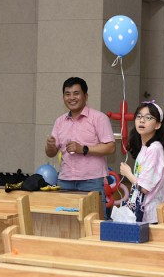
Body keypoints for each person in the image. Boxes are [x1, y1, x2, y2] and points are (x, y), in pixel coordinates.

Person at [45, 77, 116, 218]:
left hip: (91, 181)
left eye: (76, 93)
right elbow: (51, 153)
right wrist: (50, 146)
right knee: (65, 222)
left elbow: (110, 147)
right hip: (65, 181)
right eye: (67, 94)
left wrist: (83, 149)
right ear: (63, 98)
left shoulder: (99, 118)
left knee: (94, 222)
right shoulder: (59, 121)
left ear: (86, 96)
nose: (72, 98)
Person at [119, 101, 164, 223]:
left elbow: (144, 188)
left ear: (157, 125)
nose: (142, 120)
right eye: (139, 116)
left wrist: (128, 173)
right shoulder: (145, 148)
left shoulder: (155, 149)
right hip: (142, 212)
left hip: (151, 215)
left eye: (148, 117)